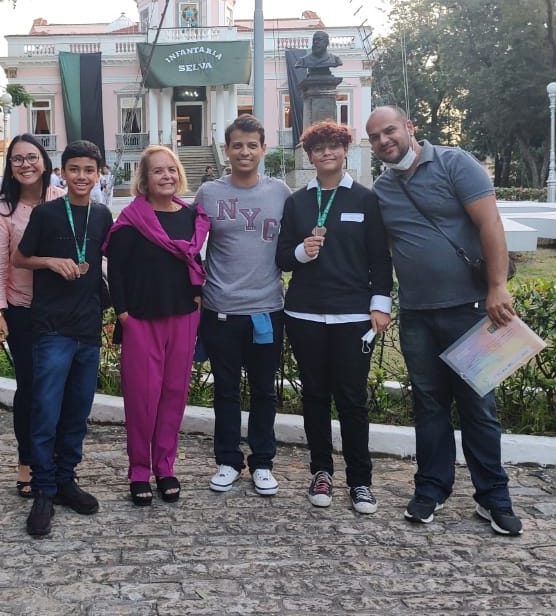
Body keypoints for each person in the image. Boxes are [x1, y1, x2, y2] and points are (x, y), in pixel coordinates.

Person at [366, 105, 523, 536]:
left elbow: (490, 222)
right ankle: (431, 489)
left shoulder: (455, 163)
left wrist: (497, 287)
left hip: (471, 308)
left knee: (478, 406)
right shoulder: (382, 189)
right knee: (429, 405)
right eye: (375, 137)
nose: (383, 141)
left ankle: (494, 497)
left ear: (409, 127)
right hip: (417, 315)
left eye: (389, 131)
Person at [275, 121, 393, 514]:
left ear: (345, 151)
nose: (326, 153)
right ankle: (321, 472)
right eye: (319, 148)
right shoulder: (296, 202)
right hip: (304, 313)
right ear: (309, 156)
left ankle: (360, 480)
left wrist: (380, 304)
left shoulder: (365, 199)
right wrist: (302, 252)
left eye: (334, 146)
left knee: (352, 400)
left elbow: (380, 258)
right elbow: (281, 257)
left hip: (352, 316)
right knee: (314, 396)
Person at [14, 139, 113, 537]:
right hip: (51, 328)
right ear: (62, 173)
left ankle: (66, 479)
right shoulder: (46, 213)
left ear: (99, 174)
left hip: (88, 328)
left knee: (76, 411)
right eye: (74, 169)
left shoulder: (102, 214)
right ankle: (43, 489)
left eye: (89, 170)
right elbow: (19, 258)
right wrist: (51, 262)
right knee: (46, 410)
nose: (82, 177)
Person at [105, 146, 210, 505]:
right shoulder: (132, 219)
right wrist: (123, 314)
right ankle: (139, 471)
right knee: (142, 399)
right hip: (141, 320)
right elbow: (116, 270)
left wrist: (197, 298)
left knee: (174, 395)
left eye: (171, 170)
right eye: (158, 171)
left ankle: (165, 467)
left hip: (183, 316)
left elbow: (194, 261)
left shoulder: (191, 217)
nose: (166, 176)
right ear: (145, 179)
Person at [194, 114, 292, 496]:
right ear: (227, 149)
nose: (245, 152)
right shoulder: (209, 194)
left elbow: (291, 246)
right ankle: (228, 460)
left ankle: (263, 462)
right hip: (220, 309)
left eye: (252, 145)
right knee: (226, 391)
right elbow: (190, 246)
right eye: (238, 145)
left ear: (263, 149)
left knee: (264, 391)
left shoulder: (280, 192)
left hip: (266, 309)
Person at [0, 134, 64, 499]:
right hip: (22, 310)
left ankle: (58, 461)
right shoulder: (2, 211)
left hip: (61, 311)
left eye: (32, 157)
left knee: (61, 389)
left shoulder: (62, 200)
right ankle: (27, 462)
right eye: (17, 159)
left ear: (44, 162)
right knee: (30, 389)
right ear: (10, 167)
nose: (25, 164)